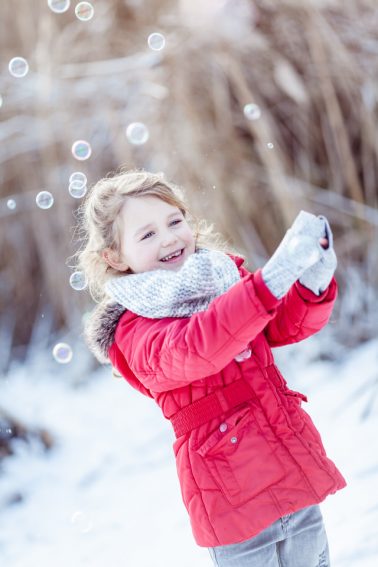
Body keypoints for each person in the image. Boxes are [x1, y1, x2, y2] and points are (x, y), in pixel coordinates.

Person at [77, 167, 347, 567]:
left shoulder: (221, 277)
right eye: (147, 234)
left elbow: (277, 324)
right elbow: (197, 347)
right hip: (235, 506)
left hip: (291, 470)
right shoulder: (134, 330)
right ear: (115, 257)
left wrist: (313, 284)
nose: (169, 237)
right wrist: (268, 282)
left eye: (174, 220)